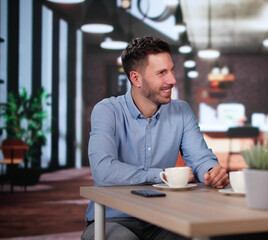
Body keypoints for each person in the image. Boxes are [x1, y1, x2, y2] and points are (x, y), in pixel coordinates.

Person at [81, 36, 229, 240]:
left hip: (164, 218)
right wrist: (162, 175)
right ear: (136, 78)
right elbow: (103, 171)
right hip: (114, 218)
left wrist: (211, 171)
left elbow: (201, 158)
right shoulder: (107, 111)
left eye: (171, 69)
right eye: (161, 73)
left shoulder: (182, 111)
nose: (172, 80)